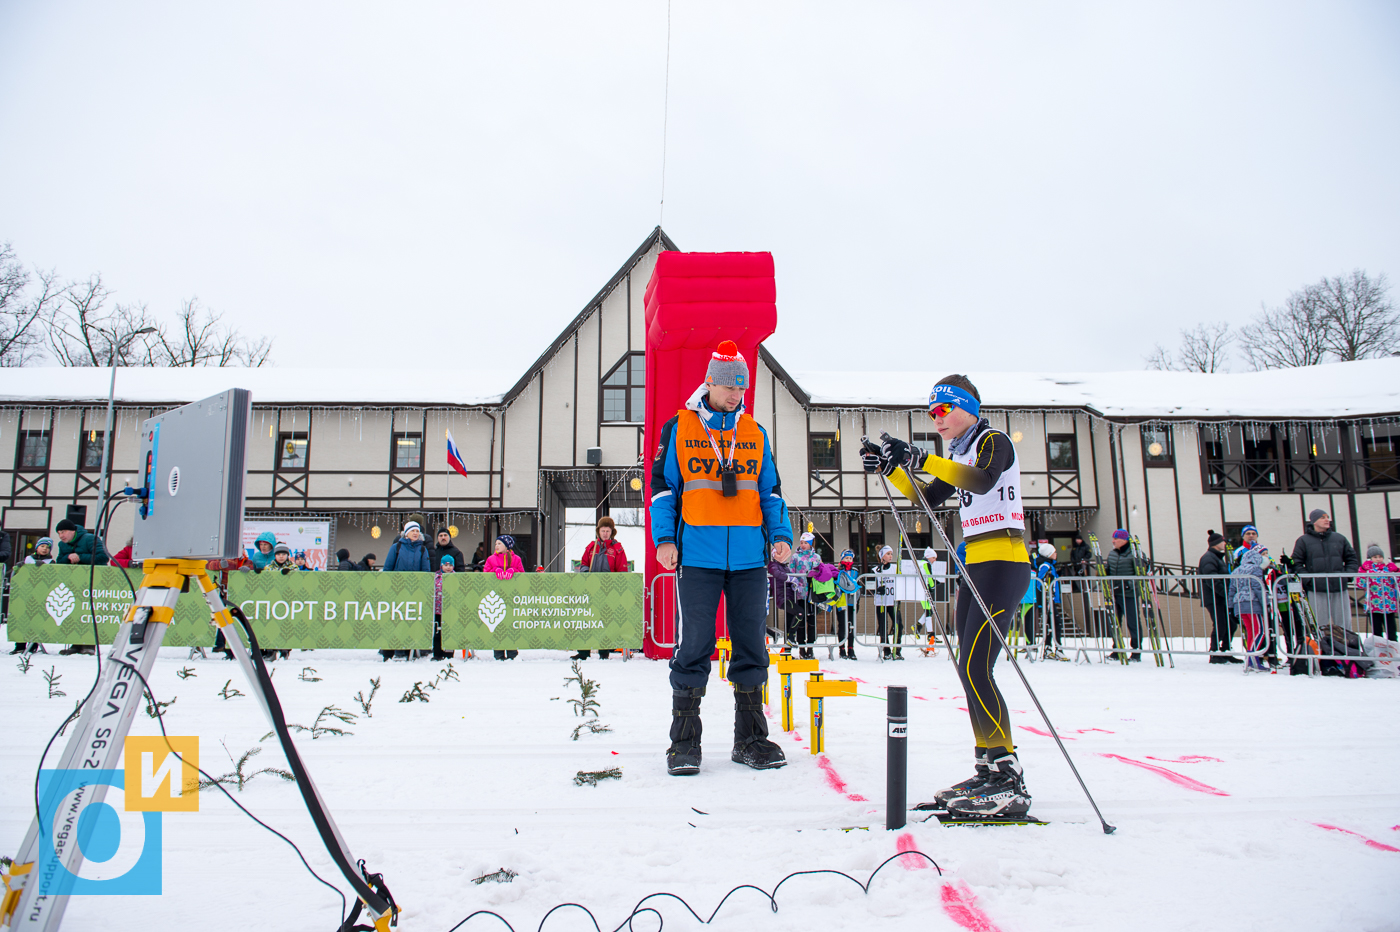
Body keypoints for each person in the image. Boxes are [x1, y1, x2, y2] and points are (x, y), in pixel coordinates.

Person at [864, 373, 1032, 821]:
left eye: (943, 409)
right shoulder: (955, 455)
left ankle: (1007, 774)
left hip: (1004, 561)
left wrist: (921, 457)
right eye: (931, 412)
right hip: (975, 564)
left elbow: (980, 481)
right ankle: (989, 762)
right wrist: (893, 468)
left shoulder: (993, 441)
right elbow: (926, 500)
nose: (936, 418)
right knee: (967, 666)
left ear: (968, 409)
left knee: (978, 664)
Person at [650, 339, 793, 776]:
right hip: (697, 557)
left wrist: (781, 533)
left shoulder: (754, 433)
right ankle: (684, 745)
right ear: (710, 381)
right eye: (730, 386)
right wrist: (664, 539)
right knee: (694, 645)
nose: (737, 395)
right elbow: (663, 490)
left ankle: (750, 740)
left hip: (749, 559)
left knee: (752, 645)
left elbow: (769, 492)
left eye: (742, 388)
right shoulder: (680, 427)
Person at [1290, 509, 1359, 628]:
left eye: (1327, 517)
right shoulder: (1303, 541)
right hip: (1316, 589)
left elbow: (1352, 559)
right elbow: (1296, 563)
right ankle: (1322, 646)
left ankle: (1345, 646)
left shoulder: (1339, 539)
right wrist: (1309, 580)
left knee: (1344, 624)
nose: (1327, 520)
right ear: (1314, 522)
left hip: (1339, 588)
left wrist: (1346, 577)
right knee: (1320, 625)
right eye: (1323, 517)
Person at [573, 516, 627, 660]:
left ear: (612, 532)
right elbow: (583, 563)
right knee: (586, 619)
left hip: (608, 592)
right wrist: (585, 573)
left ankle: (604, 652)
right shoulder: (591, 547)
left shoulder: (617, 549)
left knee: (605, 620)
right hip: (591, 590)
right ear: (598, 531)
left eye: (607, 531)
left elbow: (622, 570)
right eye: (602, 530)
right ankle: (583, 652)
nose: (605, 533)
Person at [1198, 531, 1239, 664]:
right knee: (1220, 624)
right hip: (1215, 598)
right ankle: (1214, 652)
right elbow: (1212, 580)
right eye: (1222, 541)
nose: (1225, 543)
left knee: (1231, 624)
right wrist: (1225, 594)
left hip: (1221, 597)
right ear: (1216, 543)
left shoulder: (1216, 557)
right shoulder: (1209, 558)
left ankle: (1225, 650)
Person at [9, 537, 56, 654]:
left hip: (40, 595)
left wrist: (45, 568)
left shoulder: (51, 562)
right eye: (42, 546)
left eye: (47, 547)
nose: (45, 549)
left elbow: (53, 576)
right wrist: (20, 567)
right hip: (25, 594)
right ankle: (19, 645)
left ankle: (33, 644)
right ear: (37, 547)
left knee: (36, 620)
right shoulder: (28, 559)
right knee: (21, 619)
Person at [1230, 545, 1270, 672]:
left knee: (1251, 632)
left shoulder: (1237, 570)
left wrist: (1231, 606)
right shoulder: (1256, 569)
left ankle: (1253, 660)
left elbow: (1231, 589)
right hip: (1253, 603)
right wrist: (1266, 603)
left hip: (1239, 604)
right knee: (1260, 631)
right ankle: (1252, 658)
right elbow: (1258, 587)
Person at [1103, 529, 1141, 661]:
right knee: (1114, 622)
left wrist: (1129, 584)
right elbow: (1109, 570)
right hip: (1115, 593)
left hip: (1129, 594)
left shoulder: (1134, 554)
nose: (1113, 541)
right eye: (1113, 538)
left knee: (1133, 623)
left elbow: (1141, 572)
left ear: (1124, 540)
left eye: (1116, 539)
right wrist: (1103, 571)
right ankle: (1116, 650)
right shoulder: (1112, 554)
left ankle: (1136, 651)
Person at [485, 535, 524, 659]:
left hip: (511, 596)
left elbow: (522, 575)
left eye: (499, 544)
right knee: (498, 624)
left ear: (507, 546)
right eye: (496, 543)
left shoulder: (516, 559)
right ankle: (498, 653)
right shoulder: (491, 559)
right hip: (496, 596)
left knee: (511, 624)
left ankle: (512, 653)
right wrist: (494, 571)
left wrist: (513, 571)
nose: (496, 546)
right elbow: (484, 575)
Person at [786, 532, 820, 659]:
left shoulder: (816, 557)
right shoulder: (795, 557)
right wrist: (795, 585)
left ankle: (810, 647)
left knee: (811, 621)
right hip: (799, 593)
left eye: (806, 543)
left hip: (812, 594)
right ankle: (801, 647)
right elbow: (791, 573)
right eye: (801, 542)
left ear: (811, 544)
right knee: (801, 620)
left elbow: (821, 572)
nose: (803, 545)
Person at [1356, 544, 1398, 641]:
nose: (1378, 559)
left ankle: (1394, 650)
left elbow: (1397, 582)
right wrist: (1362, 570)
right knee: (1377, 631)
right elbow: (1360, 584)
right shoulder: (1367, 571)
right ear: (1369, 559)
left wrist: (1396, 571)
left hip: (1388, 606)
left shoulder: (1388, 569)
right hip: (1374, 606)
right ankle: (1379, 651)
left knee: (1391, 631)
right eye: (1375, 557)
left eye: (1380, 557)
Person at [1033, 542, 1065, 659]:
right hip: (1047, 600)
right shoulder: (1045, 566)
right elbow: (1040, 582)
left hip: (1049, 599)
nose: (1056, 554)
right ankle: (1054, 647)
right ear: (1049, 554)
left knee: (1053, 622)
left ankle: (1050, 646)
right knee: (1055, 622)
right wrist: (1047, 592)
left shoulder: (1049, 565)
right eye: (1054, 552)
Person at [873, 545, 903, 660]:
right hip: (881, 602)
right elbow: (869, 585)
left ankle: (897, 649)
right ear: (882, 556)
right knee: (883, 626)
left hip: (893, 601)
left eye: (891, 554)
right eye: (888, 554)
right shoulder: (876, 570)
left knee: (898, 625)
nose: (890, 556)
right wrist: (877, 588)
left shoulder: (896, 568)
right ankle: (886, 650)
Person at [833, 549, 859, 659]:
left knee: (851, 625)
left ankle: (851, 648)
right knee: (842, 624)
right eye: (846, 558)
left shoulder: (855, 571)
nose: (848, 560)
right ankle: (842, 648)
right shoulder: (838, 570)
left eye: (850, 558)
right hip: (842, 600)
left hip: (852, 601)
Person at [432, 554, 455, 660]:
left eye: (450, 565)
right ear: (441, 566)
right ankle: (437, 653)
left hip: (450, 610)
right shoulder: (436, 577)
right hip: (437, 609)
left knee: (450, 632)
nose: (448, 567)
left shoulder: (456, 577)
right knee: (437, 632)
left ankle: (449, 653)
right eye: (446, 565)